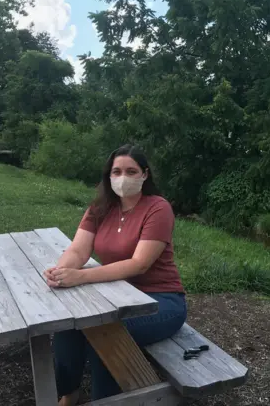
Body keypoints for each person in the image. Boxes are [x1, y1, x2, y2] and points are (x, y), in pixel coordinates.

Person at [44, 144, 187, 405]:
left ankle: (105, 400)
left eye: (131, 171)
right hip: (115, 293)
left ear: (145, 174)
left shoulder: (158, 208)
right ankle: (69, 394)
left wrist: (81, 277)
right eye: (117, 171)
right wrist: (62, 270)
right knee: (67, 324)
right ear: (108, 175)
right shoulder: (101, 207)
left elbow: (139, 264)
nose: (123, 177)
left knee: (105, 332)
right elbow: (78, 249)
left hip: (160, 300)